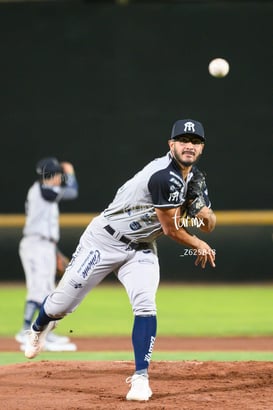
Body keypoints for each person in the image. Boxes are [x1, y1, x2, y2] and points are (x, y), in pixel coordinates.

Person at [24, 119, 216, 401]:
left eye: (196, 141)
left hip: (140, 248)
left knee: (145, 304)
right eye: (183, 140)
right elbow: (171, 229)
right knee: (59, 305)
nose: (190, 145)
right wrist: (199, 242)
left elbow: (209, 224)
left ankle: (140, 378)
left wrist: (201, 210)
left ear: (201, 148)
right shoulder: (164, 175)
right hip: (104, 240)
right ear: (171, 144)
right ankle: (39, 327)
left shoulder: (194, 178)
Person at [15, 157, 79, 352]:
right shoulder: (43, 191)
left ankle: (40, 332)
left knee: (45, 289)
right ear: (53, 175)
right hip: (36, 245)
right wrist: (71, 174)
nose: (61, 178)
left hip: (44, 245)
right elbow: (73, 191)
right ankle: (29, 331)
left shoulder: (47, 191)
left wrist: (55, 252)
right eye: (58, 174)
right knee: (40, 290)